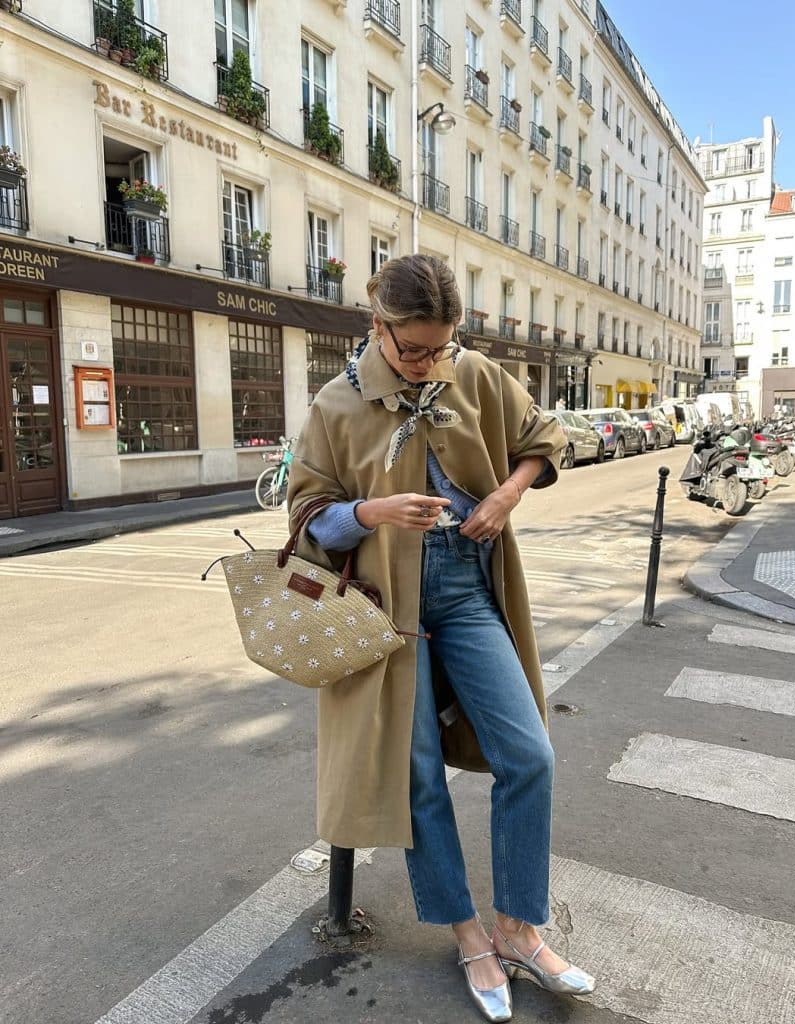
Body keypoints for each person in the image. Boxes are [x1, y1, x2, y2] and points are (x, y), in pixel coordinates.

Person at [287, 255, 595, 1022]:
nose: (429, 362)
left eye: (441, 346)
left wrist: (502, 494)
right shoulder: (336, 403)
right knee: (416, 776)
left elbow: (542, 438)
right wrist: (372, 513)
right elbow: (305, 512)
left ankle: (518, 927)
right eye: (414, 349)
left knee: (528, 754)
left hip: (465, 592)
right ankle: (467, 934)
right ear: (376, 323)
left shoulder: (476, 374)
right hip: (382, 609)